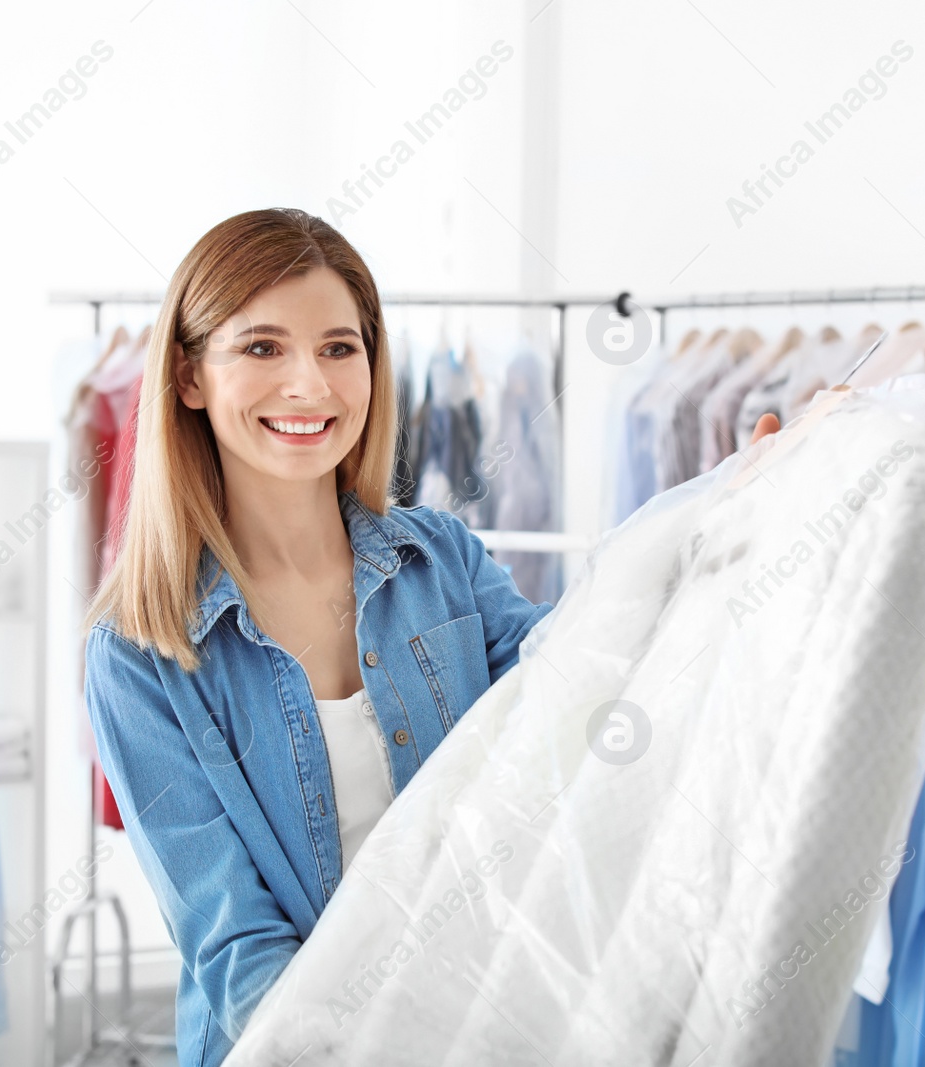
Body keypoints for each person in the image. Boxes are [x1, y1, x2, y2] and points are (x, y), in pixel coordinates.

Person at [82, 207, 779, 1066]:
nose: (310, 384)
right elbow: (234, 949)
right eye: (263, 348)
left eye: (340, 347)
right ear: (188, 377)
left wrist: (741, 497)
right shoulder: (140, 654)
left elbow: (584, 676)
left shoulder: (439, 560)